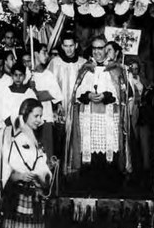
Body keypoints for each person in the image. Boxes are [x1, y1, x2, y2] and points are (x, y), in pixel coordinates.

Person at [64, 34, 131, 194]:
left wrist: (106, 96)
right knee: (90, 157)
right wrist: (87, 96)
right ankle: (89, 190)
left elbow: (123, 94)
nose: (97, 52)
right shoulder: (85, 69)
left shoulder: (116, 70)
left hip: (109, 119)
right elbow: (76, 94)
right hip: (89, 119)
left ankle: (109, 191)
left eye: (100, 48)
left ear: (106, 50)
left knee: (109, 155)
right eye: (94, 48)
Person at [0, 98, 46, 228]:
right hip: (17, 197)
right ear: (25, 115)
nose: (39, 119)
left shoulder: (36, 137)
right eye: (36, 115)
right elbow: (4, 166)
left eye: (41, 116)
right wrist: (17, 176)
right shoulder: (14, 136)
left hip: (33, 197)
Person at [47, 31, 86, 159]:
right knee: (60, 141)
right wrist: (57, 103)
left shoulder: (83, 63)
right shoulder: (55, 63)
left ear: (76, 45)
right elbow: (49, 84)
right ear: (62, 46)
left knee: (78, 139)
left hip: (78, 108)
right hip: (60, 108)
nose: (68, 49)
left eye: (71, 45)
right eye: (65, 46)